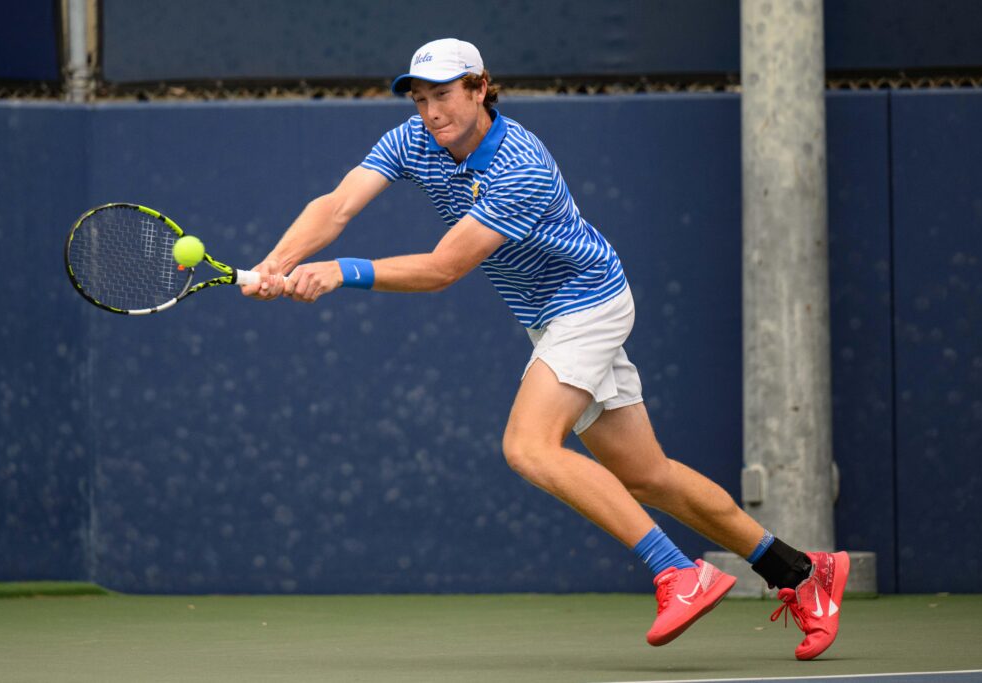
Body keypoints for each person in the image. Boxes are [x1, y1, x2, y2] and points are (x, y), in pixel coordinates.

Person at [242, 38, 849, 660]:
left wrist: (343, 271)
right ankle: (802, 573)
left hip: (587, 304)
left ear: (481, 88)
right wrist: (276, 263)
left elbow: (444, 268)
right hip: (548, 317)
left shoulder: (520, 166)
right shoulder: (412, 139)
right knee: (646, 474)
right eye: (421, 99)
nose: (431, 112)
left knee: (529, 446)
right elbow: (337, 205)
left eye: (444, 95)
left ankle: (679, 572)